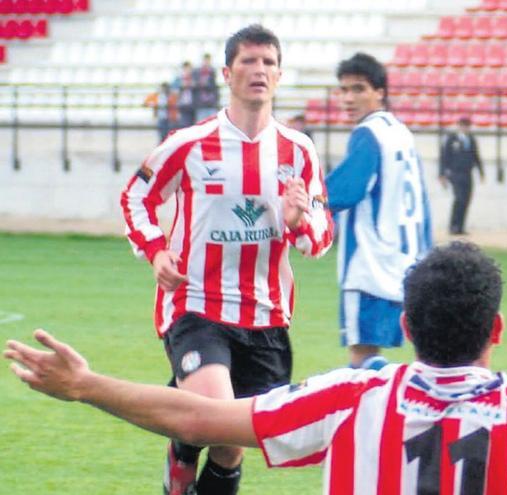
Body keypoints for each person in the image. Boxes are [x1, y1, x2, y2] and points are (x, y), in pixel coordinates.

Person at [4, 242, 507, 494]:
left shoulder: (353, 391)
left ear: (402, 325)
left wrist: (85, 385)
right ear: (498, 329)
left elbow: (198, 418)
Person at [119, 24, 333, 495]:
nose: (259, 70)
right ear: (227, 73)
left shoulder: (299, 152)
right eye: (249, 61)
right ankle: (184, 444)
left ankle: (182, 438)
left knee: (231, 445)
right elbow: (136, 196)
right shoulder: (189, 143)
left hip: (265, 317)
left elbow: (320, 240)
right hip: (196, 304)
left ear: (279, 74)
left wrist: (299, 221)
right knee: (216, 419)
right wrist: (156, 251)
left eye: (269, 62)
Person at [325, 52, 432, 371]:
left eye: (358, 89)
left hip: (369, 265)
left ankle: (377, 413)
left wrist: (300, 196)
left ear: (380, 92)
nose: (348, 98)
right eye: (343, 90)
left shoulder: (368, 133)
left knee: (362, 363)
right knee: (426, 360)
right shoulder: (401, 132)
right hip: (409, 262)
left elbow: (343, 190)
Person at [440, 115, 484, 236]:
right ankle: (453, 225)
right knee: (458, 199)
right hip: (455, 173)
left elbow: (476, 157)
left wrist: (481, 172)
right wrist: (442, 174)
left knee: (466, 200)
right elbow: (444, 157)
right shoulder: (452, 139)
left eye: (467, 126)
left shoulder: (471, 140)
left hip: (467, 173)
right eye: (463, 125)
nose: (465, 128)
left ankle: (460, 226)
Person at [194, 53, 219, 122]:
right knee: (201, 124)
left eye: (208, 60)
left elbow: (214, 86)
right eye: (205, 60)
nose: (207, 62)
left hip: (211, 103)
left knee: (212, 123)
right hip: (201, 104)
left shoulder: (212, 72)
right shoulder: (197, 72)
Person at [172, 60, 195, 129]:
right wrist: (181, 86)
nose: (188, 70)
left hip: (192, 105)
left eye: (189, 68)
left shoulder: (194, 78)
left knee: (193, 125)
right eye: (186, 68)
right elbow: (174, 92)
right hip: (182, 105)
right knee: (184, 125)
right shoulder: (178, 79)